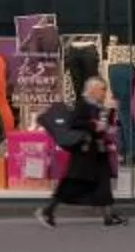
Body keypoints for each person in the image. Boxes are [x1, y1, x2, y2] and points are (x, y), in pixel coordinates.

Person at [38, 75, 125, 228]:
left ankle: (109, 216)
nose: (104, 92)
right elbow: (75, 122)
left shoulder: (99, 106)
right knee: (72, 183)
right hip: (84, 152)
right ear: (92, 90)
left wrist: (111, 111)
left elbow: (106, 124)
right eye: (102, 89)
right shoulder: (83, 105)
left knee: (103, 183)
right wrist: (93, 125)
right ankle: (48, 211)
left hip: (98, 150)